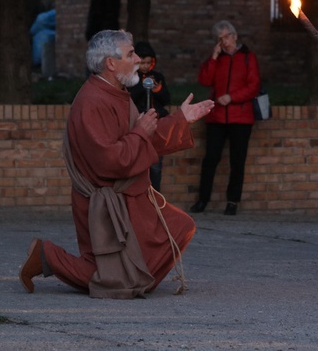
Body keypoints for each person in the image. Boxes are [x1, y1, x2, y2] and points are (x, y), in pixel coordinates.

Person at [18, 30, 214, 298]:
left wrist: (182, 119)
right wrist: (140, 133)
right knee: (108, 277)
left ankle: (131, 281)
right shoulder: (92, 101)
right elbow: (110, 161)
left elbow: (145, 139)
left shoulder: (115, 93)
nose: (137, 60)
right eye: (130, 54)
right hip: (104, 202)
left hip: (129, 197)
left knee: (179, 228)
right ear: (110, 63)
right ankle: (48, 256)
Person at [191, 20, 261, 216]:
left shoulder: (248, 58)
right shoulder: (217, 59)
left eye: (227, 37)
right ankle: (202, 199)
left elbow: (253, 86)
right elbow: (204, 80)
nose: (224, 42)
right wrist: (213, 57)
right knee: (210, 159)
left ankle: (233, 201)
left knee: (237, 161)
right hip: (217, 118)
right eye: (220, 39)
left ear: (235, 36)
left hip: (241, 116)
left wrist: (232, 97)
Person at [128, 41, 172, 192]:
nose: (146, 66)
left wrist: (157, 88)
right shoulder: (131, 78)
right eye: (143, 63)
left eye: (149, 63)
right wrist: (142, 85)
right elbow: (130, 97)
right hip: (138, 124)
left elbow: (166, 99)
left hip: (156, 124)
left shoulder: (158, 76)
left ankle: (155, 195)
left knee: (156, 165)